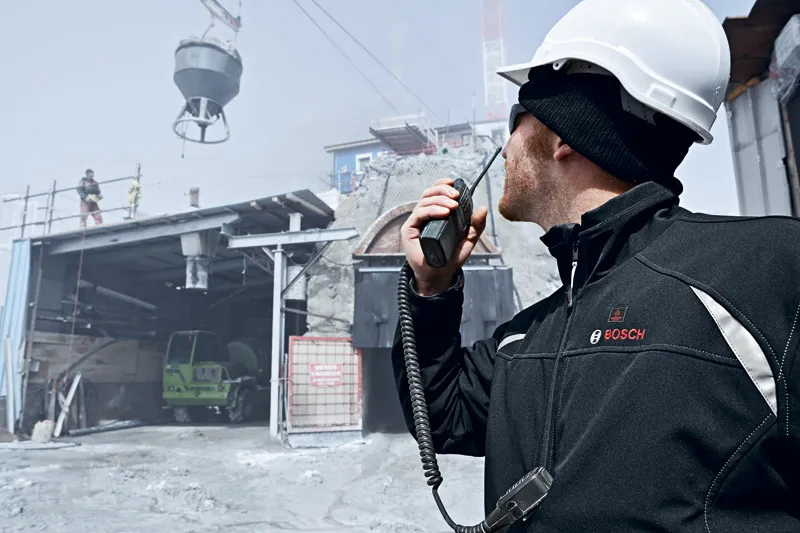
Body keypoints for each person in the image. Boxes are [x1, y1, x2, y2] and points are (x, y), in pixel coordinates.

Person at [391, 0, 799, 531]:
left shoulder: (767, 269)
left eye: (517, 119)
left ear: (564, 133)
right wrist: (430, 287)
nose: (505, 148)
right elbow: (441, 416)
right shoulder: (528, 339)